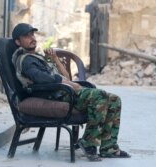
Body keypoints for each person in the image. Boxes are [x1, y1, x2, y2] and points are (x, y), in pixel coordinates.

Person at [11, 23, 131, 161]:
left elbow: (66, 76)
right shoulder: (26, 60)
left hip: (63, 91)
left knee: (115, 99)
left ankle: (109, 147)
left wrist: (55, 59)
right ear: (18, 42)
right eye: (26, 36)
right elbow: (41, 79)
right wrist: (68, 84)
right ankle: (88, 143)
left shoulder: (37, 57)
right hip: (55, 96)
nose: (32, 38)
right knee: (100, 96)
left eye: (32, 34)